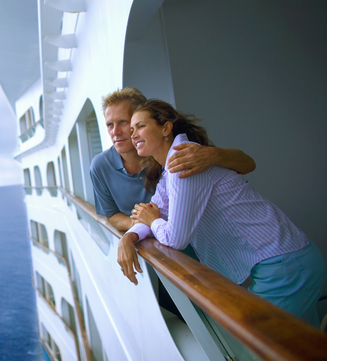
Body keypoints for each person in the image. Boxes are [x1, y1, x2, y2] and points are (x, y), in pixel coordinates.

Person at [127, 99, 325, 326]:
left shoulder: (184, 162)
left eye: (140, 126)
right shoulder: (170, 168)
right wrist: (129, 237)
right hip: (290, 260)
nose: (133, 134)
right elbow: (152, 210)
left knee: (260, 347)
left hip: (286, 267)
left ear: (166, 128)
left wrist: (153, 222)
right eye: (132, 129)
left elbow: (174, 238)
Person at [90, 88, 256, 284]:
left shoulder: (178, 157)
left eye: (124, 123)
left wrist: (214, 154)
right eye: (110, 125)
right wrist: (132, 233)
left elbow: (248, 165)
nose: (115, 132)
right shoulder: (103, 166)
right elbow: (114, 214)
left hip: (207, 245)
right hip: (160, 248)